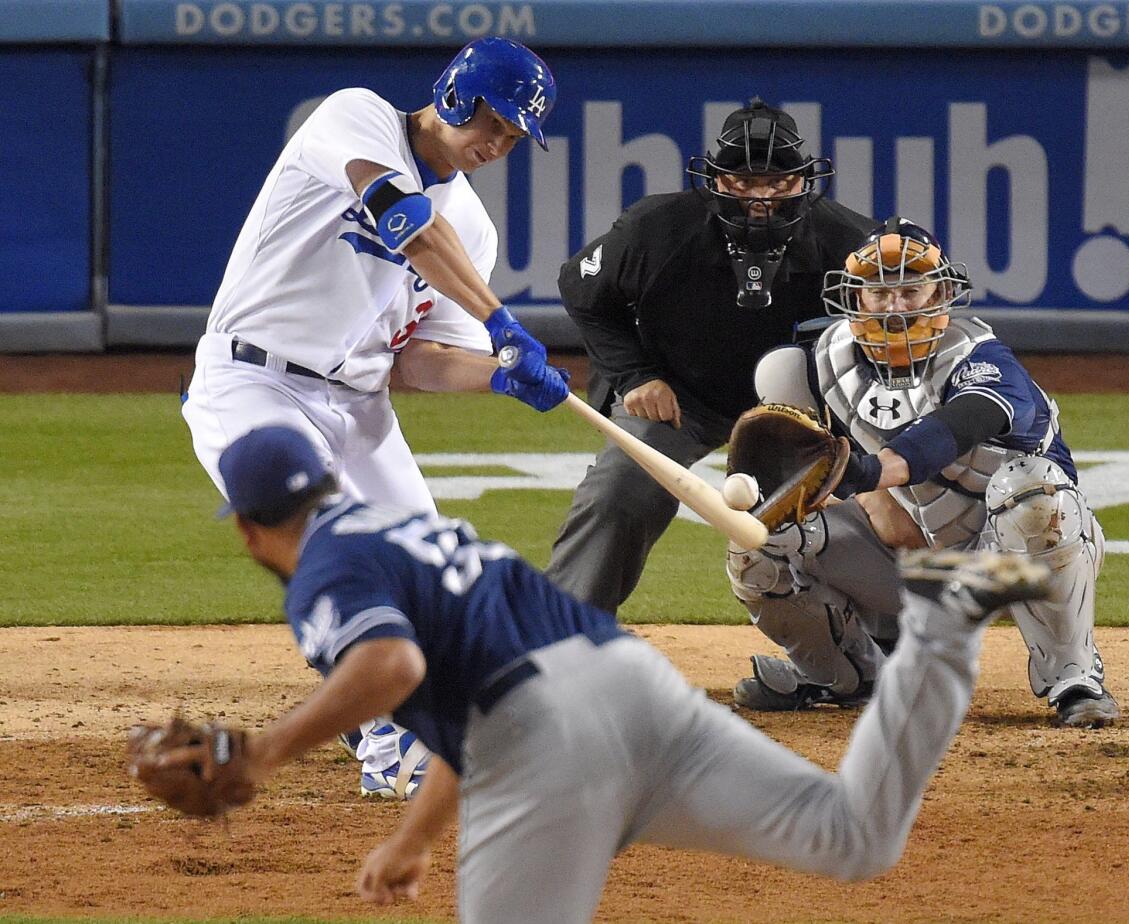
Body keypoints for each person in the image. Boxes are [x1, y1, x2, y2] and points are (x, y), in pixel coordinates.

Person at [168, 424, 1050, 922]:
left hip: (545, 745)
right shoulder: (398, 535)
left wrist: (263, 754)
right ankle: (936, 619)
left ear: (248, 527)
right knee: (850, 834)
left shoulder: (324, 570)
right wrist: (412, 840)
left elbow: (391, 664)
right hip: (629, 685)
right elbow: (465, 701)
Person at [181, 37, 569, 800]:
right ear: (457, 95)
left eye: (516, 136)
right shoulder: (357, 118)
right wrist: (501, 322)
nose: (499, 144)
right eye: (494, 121)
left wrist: (503, 377)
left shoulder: (476, 229)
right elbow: (408, 225)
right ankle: (388, 744)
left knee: (428, 575)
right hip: (250, 383)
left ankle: (419, 720)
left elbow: (416, 361)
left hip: (359, 405)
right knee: (335, 544)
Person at [727, 216, 1119, 729]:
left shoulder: (981, 358)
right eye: (879, 291)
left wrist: (870, 474)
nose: (894, 306)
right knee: (758, 541)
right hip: (906, 562)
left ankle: (1074, 677)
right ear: (855, 297)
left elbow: (955, 426)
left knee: (1032, 494)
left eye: (911, 290)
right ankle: (847, 674)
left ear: (942, 293)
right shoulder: (814, 366)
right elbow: (802, 476)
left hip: (1008, 566)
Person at [543, 97, 875, 613]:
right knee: (621, 489)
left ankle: (870, 647)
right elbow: (581, 290)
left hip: (808, 408)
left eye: (777, 184)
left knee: (866, 498)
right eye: (744, 183)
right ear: (716, 181)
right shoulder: (655, 229)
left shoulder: (850, 243)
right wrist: (634, 375)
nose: (760, 199)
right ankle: (560, 636)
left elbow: (885, 338)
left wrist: (850, 424)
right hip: (679, 396)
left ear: (803, 183)